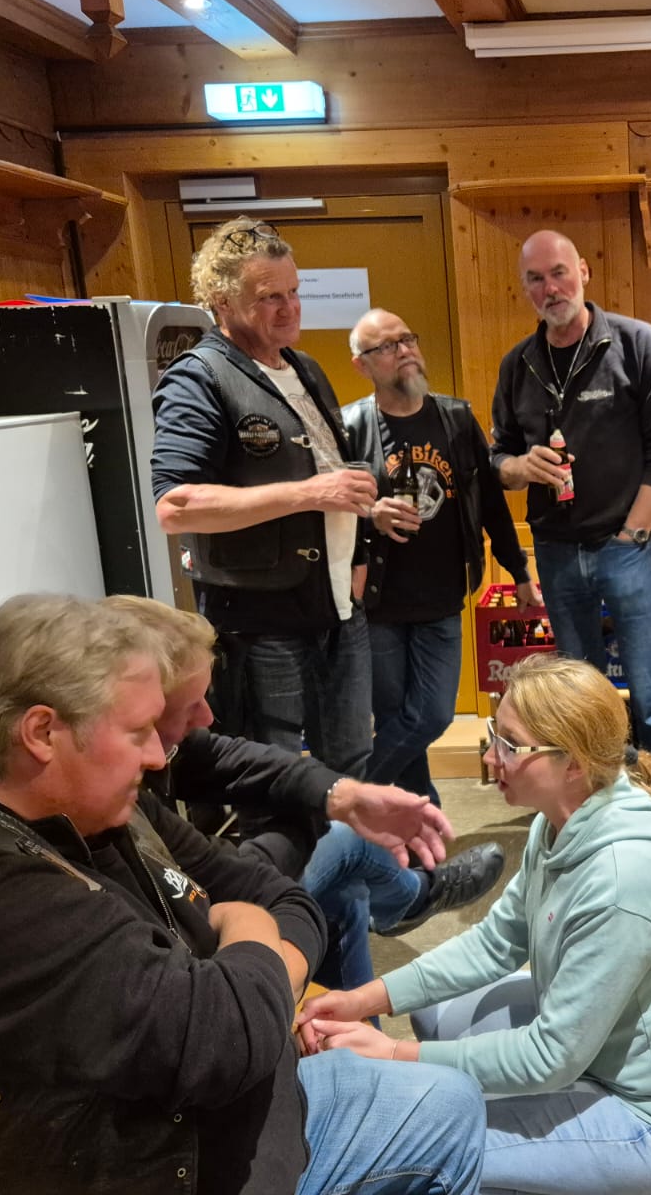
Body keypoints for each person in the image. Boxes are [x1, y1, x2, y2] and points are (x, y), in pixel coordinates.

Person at [0, 595, 484, 1195]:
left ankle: (403, 912)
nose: (158, 756)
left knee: (443, 1090)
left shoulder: (83, 811)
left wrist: (247, 967)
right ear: (41, 732)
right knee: (445, 1111)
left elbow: (275, 906)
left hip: (219, 1116)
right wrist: (250, 931)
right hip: (181, 1159)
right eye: (139, 730)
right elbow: (226, 1036)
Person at [296, 654, 651, 1195]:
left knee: (426, 1151)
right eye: (493, 735)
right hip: (592, 1056)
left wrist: (391, 1054)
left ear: (573, 764)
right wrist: (362, 1000)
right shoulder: (558, 824)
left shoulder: (625, 880)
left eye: (510, 745)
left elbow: (550, 1057)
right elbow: (494, 943)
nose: (489, 757)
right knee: (432, 1013)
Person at [106, 595, 506, 991]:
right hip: (210, 959)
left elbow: (229, 762)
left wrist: (339, 794)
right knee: (346, 847)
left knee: (345, 892)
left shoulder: (136, 775)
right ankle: (412, 898)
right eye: (191, 706)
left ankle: (395, 927)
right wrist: (319, 816)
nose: (208, 718)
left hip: (215, 938)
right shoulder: (115, 811)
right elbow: (220, 882)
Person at [152, 216, 378, 877]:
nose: (289, 308)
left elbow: (333, 477)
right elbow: (175, 505)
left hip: (337, 609)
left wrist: (362, 542)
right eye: (269, 297)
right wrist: (309, 494)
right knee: (274, 786)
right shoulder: (199, 377)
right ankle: (283, 916)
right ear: (222, 302)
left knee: (347, 770)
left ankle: (351, 904)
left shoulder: (305, 369)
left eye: (294, 291)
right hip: (261, 621)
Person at [489, 230, 651, 782]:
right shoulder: (518, 364)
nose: (550, 288)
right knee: (579, 708)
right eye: (535, 279)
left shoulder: (634, 342)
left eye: (558, 273)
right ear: (525, 288)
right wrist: (519, 467)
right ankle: (599, 814)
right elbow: (497, 458)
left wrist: (633, 533)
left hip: (625, 548)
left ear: (583, 271)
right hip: (556, 552)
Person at [342, 307, 541, 801]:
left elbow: (491, 503)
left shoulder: (454, 418)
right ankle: (420, 816)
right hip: (379, 604)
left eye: (407, 339)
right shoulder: (350, 426)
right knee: (395, 716)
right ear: (362, 364)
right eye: (387, 346)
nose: (404, 351)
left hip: (442, 597)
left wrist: (518, 570)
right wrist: (371, 515)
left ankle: (343, 795)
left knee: (431, 715)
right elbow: (330, 513)